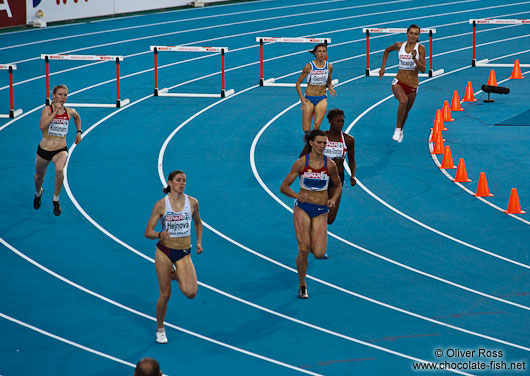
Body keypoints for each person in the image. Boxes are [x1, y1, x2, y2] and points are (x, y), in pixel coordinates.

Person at [280, 130, 342, 299]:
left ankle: (316, 245)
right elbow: (284, 187)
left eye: (325, 143)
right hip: (303, 208)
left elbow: (338, 185)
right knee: (303, 248)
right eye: (319, 143)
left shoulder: (330, 165)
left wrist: (334, 199)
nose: (322, 146)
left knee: (319, 253)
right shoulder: (301, 163)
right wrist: (297, 195)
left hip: (321, 210)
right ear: (311, 143)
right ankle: (302, 284)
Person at [145, 170, 203, 344]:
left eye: (184, 180)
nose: (182, 183)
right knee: (165, 294)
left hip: (184, 252)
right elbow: (148, 232)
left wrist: (199, 242)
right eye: (178, 180)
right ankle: (160, 328)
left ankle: (172, 274)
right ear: (170, 182)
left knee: (191, 292)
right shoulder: (161, 205)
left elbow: (198, 222)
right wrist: (159, 235)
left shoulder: (192, 203)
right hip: (164, 252)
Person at [301, 109, 356, 226]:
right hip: (320, 176)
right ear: (330, 121)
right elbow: (303, 156)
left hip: (337, 178)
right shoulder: (320, 138)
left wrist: (352, 175)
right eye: (337, 121)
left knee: (330, 219)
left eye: (342, 121)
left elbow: (351, 160)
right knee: (316, 210)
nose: (340, 124)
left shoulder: (348, 140)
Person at [34, 84, 82, 216]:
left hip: (60, 149)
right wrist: (55, 112)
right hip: (44, 149)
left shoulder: (69, 111)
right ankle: (38, 193)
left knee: (59, 170)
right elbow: (42, 126)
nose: (62, 97)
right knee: (39, 177)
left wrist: (79, 132)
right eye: (60, 94)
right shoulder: (47, 110)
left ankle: (56, 199)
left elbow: (77, 116)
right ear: (53, 96)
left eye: (65, 95)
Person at [379, 24, 426, 143]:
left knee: (406, 111)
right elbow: (386, 51)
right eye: (411, 33)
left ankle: (400, 129)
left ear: (418, 36)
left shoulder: (420, 48)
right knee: (403, 101)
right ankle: (397, 128)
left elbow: (423, 69)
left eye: (416, 34)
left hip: (413, 85)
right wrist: (383, 68)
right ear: (407, 33)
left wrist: (415, 59)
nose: (413, 36)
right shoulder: (399, 45)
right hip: (399, 82)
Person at [296, 43, 337, 136]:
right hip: (308, 99)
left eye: (324, 51)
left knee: (317, 125)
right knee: (306, 128)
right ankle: (309, 142)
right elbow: (297, 84)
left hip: (322, 98)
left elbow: (329, 81)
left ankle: (312, 147)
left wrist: (330, 87)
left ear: (326, 53)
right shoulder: (309, 67)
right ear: (315, 53)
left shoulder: (329, 67)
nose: (322, 54)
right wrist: (302, 98)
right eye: (319, 51)